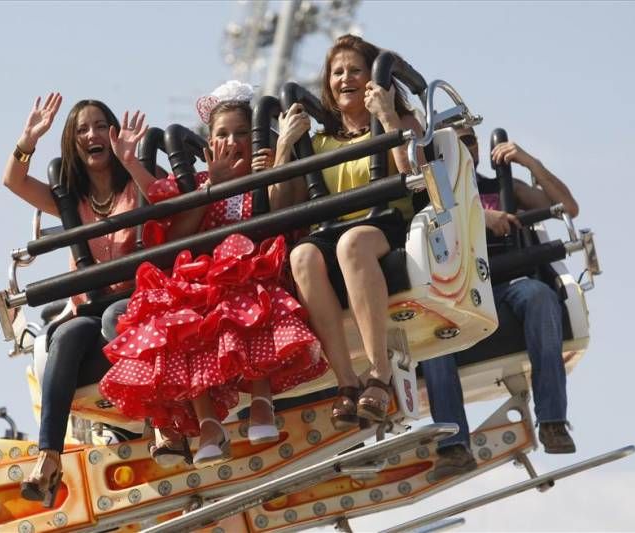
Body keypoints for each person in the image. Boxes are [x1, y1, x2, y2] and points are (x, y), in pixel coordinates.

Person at [99, 81, 328, 468]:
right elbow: (166, 210)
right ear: (209, 145)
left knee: (243, 294)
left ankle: (261, 401)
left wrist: (282, 154)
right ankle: (208, 422)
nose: (232, 141)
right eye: (222, 134)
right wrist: (135, 165)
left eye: (242, 133)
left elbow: (280, 214)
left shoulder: (270, 167)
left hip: (257, 265)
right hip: (204, 277)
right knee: (176, 311)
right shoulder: (205, 181)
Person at [273, 35, 425, 430]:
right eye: (337, 72)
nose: (345, 79)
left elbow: (417, 176)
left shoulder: (402, 122)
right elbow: (278, 205)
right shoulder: (319, 141)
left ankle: (379, 374)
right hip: (331, 229)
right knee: (302, 255)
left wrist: (389, 119)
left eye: (355, 70)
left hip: (387, 222)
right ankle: (346, 383)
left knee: (351, 243)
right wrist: (284, 147)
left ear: (373, 77)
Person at [2, 94, 141, 505]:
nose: (92, 135)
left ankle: (164, 419)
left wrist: (134, 162)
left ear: (113, 133)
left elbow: (168, 203)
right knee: (67, 334)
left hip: (135, 312)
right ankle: (48, 457)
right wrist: (27, 140)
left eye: (100, 126)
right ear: (73, 143)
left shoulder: (136, 183)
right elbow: (14, 180)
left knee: (118, 313)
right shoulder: (72, 202)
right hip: (93, 323)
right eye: (82, 129)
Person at [422, 125, 580, 481]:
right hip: (456, 297)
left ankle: (553, 422)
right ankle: (453, 445)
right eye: (457, 143)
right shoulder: (431, 196)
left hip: (508, 287)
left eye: (470, 141)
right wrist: (477, 217)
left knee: (539, 295)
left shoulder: (500, 189)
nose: (466, 148)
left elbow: (567, 207)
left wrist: (530, 162)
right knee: (431, 337)